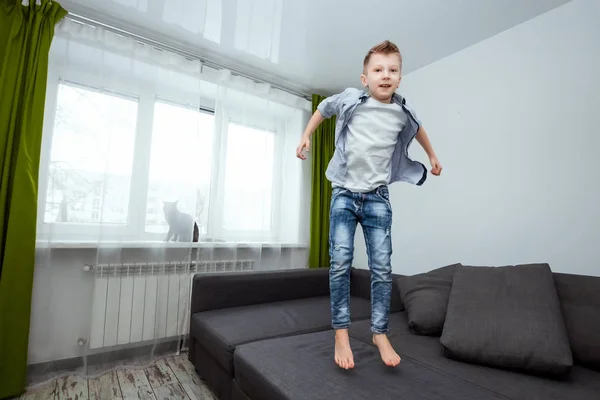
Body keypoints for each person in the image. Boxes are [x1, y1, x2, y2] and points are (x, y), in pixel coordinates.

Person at [295, 40, 442, 370]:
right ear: (365, 78)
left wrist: (431, 155)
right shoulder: (351, 99)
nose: (385, 75)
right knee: (340, 261)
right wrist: (306, 135)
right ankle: (341, 333)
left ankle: (379, 333)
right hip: (344, 194)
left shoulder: (402, 112)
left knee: (381, 268)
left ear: (400, 78)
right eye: (378, 70)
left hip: (377, 197)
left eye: (393, 70)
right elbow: (324, 109)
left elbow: (419, 130)